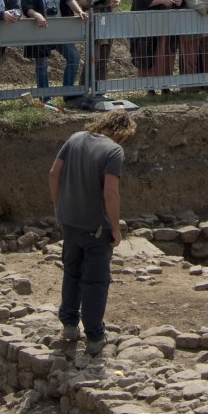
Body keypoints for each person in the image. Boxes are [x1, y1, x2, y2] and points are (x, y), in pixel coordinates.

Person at [50, 110, 137, 356]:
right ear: (121, 132)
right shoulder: (113, 151)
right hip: (95, 227)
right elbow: (111, 192)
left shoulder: (75, 138)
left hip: (69, 222)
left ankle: (68, 325)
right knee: (95, 282)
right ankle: (95, 337)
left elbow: (53, 173)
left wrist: (58, 207)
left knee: (72, 272)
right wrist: (115, 227)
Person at [20, 0, 87, 95]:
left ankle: (67, 92)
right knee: (42, 64)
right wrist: (37, 15)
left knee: (74, 57)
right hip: (40, 30)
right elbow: (26, 7)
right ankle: (45, 97)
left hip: (60, 29)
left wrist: (79, 11)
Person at [130, 0, 183, 87]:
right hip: (148, 28)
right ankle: (149, 87)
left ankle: (165, 85)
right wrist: (162, 0)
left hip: (167, 28)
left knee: (166, 56)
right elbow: (141, 0)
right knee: (149, 56)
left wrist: (180, 0)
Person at [74, 0, 121, 89]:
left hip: (107, 22)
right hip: (92, 23)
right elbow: (81, 1)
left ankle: (100, 89)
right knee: (93, 57)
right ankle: (84, 88)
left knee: (104, 58)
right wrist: (100, 3)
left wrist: (115, 1)